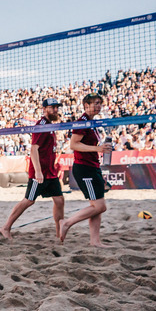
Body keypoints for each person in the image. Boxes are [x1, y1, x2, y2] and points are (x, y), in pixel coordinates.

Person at [0, 98, 65, 239]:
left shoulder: (50, 126)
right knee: (29, 200)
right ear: (44, 109)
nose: (55, 110)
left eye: (56, 107)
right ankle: (6, 227)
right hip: (40, 172)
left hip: (50, 172)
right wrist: (38, 171)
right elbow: (34, 150)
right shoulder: (41, 125)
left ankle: (59, 232)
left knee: (59, 200)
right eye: (52, 107)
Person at [59, 94, 113, 247]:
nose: (98, 106)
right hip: (85, 168)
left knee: (97, 206)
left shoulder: (92, 123)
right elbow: (74, 145)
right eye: (95, 103)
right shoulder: (82, 122)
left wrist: (101, 149)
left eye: (100, 103)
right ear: (85, 105)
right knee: (99, 206)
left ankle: (95, 241)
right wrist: (98, 148)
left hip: (93, 166)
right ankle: (67, 223)